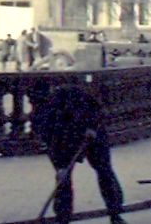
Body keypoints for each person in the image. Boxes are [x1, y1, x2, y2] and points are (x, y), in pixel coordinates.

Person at [33, 84, 126, 224]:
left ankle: (115, 214)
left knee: (104, 171)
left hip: (93, 136)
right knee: (63, 180)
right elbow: (51, 143)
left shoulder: (73, 95)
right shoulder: (41, 118)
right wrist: (60, 167)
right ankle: (63, 218)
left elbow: (96, 110)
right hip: (65, 142)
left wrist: (92, 127)